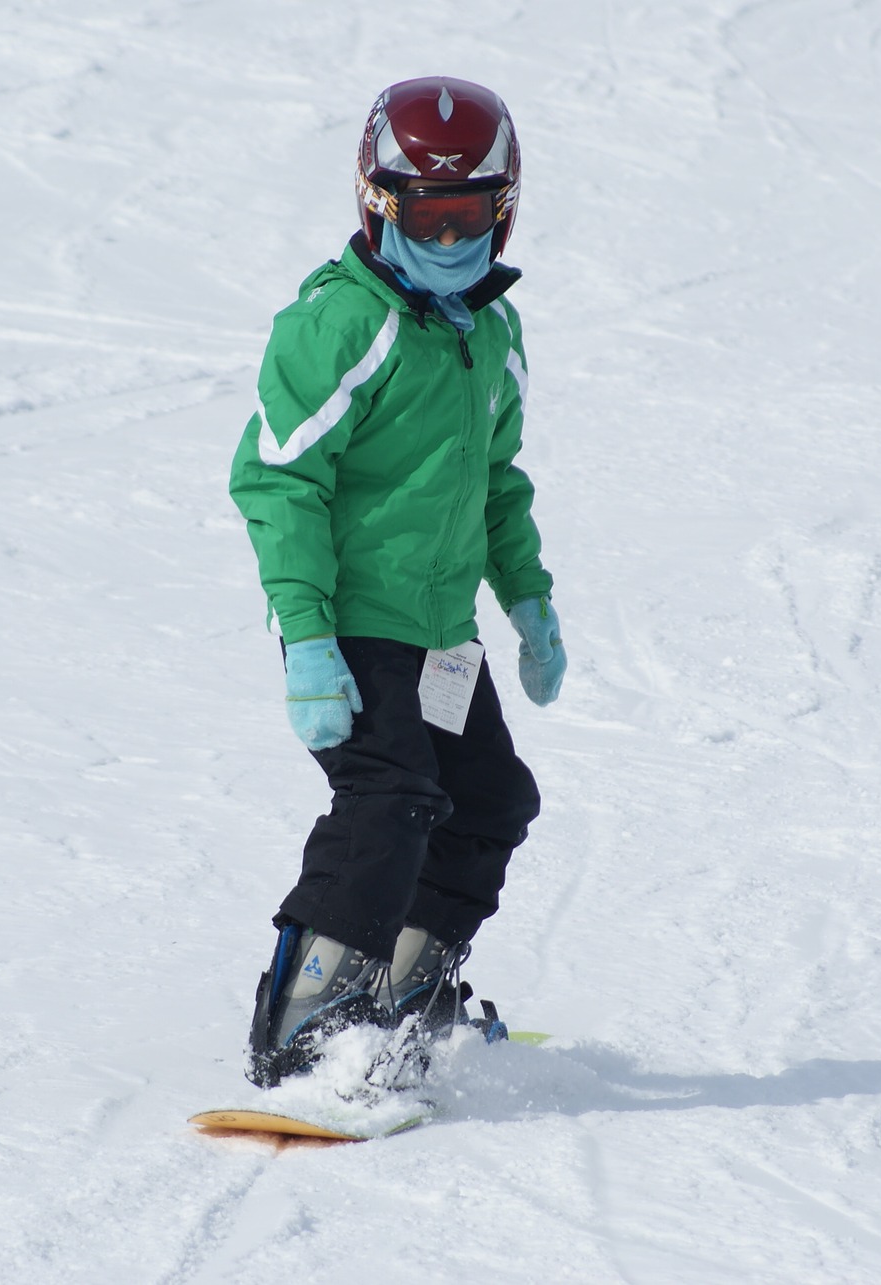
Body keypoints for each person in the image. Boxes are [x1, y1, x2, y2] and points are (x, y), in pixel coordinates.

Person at [227, 77, 566, 1088]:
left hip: (441, 631)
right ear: (379, 205)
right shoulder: (342, 324)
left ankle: (407, 992)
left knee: (491, 801)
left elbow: (495, 480)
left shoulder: (491, 332)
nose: (451, 238)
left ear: (505, 208)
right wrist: (307, 636)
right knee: (390, 795)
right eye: (427, 216)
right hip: (354, 622)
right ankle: (306, 1023)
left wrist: (530, 601)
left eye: (470, 214)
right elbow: (278, 478)